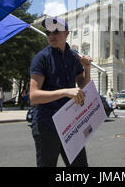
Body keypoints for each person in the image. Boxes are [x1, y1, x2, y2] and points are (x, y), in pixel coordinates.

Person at [29, 16, 92, 167]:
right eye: (48, 32)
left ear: (67, 33)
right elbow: (34, 96)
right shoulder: (41, 58)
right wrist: (65, 92)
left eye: (56, 32)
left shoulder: (73, 57)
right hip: (47, 124)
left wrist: (87, 68)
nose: (51, 36)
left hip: (70, 122)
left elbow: (82, 86)